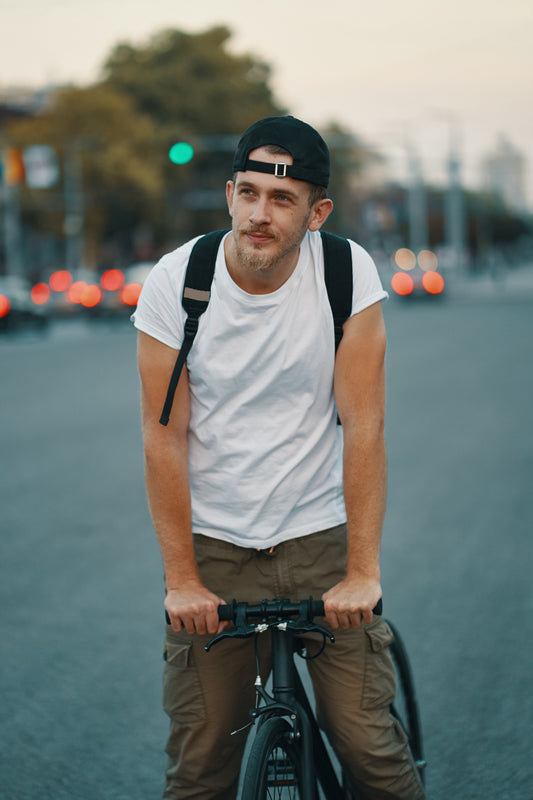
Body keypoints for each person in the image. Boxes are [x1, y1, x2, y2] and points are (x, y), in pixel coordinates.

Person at [133, 115, 425, 800]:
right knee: (201, 765)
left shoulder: (345, 273)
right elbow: (162, 435)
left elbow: (364, 426)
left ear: (316, 213)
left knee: (371, 751)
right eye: (249, 193)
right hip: (215, 548)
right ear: (230, 193)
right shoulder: (178, 282)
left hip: (319, 541)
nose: (260, 214)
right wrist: (182, 580)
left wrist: (362, 572)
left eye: (282, 199)